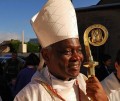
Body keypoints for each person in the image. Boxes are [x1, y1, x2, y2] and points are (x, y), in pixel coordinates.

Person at [14, 0, 108, 101]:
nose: (77, 57)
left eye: (79, 50)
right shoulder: (29, 96)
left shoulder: (84, 82)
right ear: (46, 55)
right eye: (68, 51)